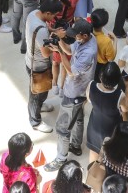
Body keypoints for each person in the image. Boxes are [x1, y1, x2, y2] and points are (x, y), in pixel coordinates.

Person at [45, 18, 96, 172]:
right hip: (81, 90)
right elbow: (69, 50)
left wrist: (59, 52)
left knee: (63, 127)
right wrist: (59, 42)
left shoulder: (88, 52)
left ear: (84, 35)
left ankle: (61, 158)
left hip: (74, 92)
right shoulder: (87, 38)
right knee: (78, 118)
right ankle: (76, 146)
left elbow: (71, 72)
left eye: (76, 35)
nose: (74, 37)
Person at [25, 0, 63, 133]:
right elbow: (46, 53)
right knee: (36, 94)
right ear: (47, 13)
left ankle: (39, 105)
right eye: (54, 15)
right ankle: (35, 121)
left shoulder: (34, 13)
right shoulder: (41, 31)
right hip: (38, 67)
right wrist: (57, 39)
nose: (54, 19)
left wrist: (53, 30)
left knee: (41, 91)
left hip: (30, 60)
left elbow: (43, 28)